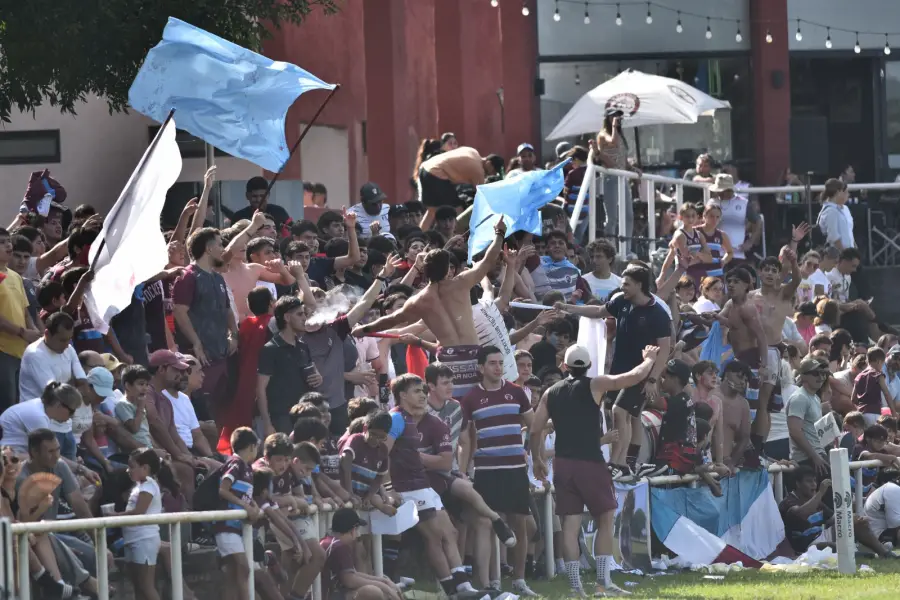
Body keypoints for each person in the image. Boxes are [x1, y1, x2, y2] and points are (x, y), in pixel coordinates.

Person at [530, 344, 657, 596]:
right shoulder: (595, 384)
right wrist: (649, 359)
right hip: (591, 463)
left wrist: (537, 459)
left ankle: (577, 587)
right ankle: (602, 583)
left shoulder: (550, 392)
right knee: (606, 518)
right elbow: (630, 377)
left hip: (564, 466)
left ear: (564, 367)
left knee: (569, 525)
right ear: (588, 366)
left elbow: (535, 430)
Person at [352, 220, 508, 402]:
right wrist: (499, 234)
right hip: (474, 357)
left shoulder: (420, 300)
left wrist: (363, 330)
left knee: (453, 411)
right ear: (447, 268)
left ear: (425, 271)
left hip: (448, 362)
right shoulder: (462, 283)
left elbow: (391, 319)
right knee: (478, 409)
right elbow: (489, 260)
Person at [554, 263, 671, 477]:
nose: (622, 287)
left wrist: (653, 379)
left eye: (626, 284)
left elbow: (664, 350)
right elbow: (598, 311)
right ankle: (624, 464)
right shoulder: (620, 302)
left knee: (620, 412)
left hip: (641, 375)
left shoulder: (657, 313)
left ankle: (618, 464)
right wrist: (568, 308)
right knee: (620, 416)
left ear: (639, 285)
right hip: (619, 372)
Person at [384, 374, 477, 598]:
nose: (423, 395)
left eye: (424, 391)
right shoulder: (396, 419)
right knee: (435, 536)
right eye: (417, 391)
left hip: (422, 485)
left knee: (450, 532)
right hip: (408, 487)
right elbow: (382, 454)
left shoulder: (415, 419)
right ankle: (453, 590)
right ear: (402, 395)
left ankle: (463, 586)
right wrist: (388, 488)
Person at [458, 346, 536, 596]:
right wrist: (463, 470)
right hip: (486, 470)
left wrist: (540, 459)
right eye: (492, 363)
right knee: (488, 524)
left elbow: (533, 427)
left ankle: (519, 580)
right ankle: (491, 583)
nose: (498, 367)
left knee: (520, 525)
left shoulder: (516, 392)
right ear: (480, 367)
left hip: (515, 469)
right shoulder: (469, 398)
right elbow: (466, 438)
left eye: (501, 363)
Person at [172, 227, 238, 420]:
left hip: (221, 352)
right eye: (219, 244)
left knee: (221, 407)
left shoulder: (217, 277)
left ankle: (219, 448)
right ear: (208, 249)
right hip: (200, 357)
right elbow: (179, 311)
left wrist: (234, 334)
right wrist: (196, 343)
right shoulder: (188, 276)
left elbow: (227, 310)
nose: (222, 249)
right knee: (200, 408)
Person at [748, 251, 802, 457]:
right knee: (750, 402)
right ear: (760, 272)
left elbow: (796, 279)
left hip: (771, 352)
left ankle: (759, 447)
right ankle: (751, 444)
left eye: (774, 270)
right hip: (750, 353)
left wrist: (795, 260)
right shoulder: (751, 296)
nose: (770, 273)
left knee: (764, 403)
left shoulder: (783, 294)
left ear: (779, 275)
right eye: (766, 269)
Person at [258, 296, 322, 436]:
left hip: (306, 416)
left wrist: (318, 378)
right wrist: (267, 424)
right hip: (282, 419)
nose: (304, 318)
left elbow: (314, 372)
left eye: (304, 313)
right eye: (299, 314)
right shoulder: (270, 349)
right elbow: (260, 389)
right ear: (287, 317)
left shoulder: (303, 346)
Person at [216, 427, 263, 600]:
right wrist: (245, 505)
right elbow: (223, 490)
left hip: (237, 528)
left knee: (233, 574)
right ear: (251, 446)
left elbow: (246, 495)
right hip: (226, 526)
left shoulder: (248, 468)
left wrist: (254, 507)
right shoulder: (235, 463)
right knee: (243, 567)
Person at [320, 507, 403, 600]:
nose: (358, 534)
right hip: (328, 595)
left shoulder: (329, 541)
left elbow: (353, 574)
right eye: (357, 530)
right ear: (352, 530)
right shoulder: (339, 546)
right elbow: (349, 580)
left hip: (326, 592)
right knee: (372, 592)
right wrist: (384, 587)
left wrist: (383, 581)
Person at [0, 226, 41, 410]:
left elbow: (25, 312)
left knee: (19, 406)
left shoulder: (16, 277)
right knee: (6, 408)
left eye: (8, 241)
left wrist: (33, 332)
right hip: (3, 352)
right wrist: (23, 332)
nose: (8, 246)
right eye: (2, 243)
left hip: (21, 352)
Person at [116, 448, 163, 600]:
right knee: (138, 587)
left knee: (146, 586)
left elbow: (139, 511)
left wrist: (115, 516)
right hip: (133, 539)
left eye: (132, 466)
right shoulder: (139, 486)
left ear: (145, 468)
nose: (128, 470)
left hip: (144, 540)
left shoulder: (149, 485)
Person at [18, 311, 86, 401]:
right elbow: (54, 393)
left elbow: (82, 381)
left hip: (60, 408)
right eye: (62, 340)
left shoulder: (69, 349)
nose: (67, 344)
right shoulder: (34, 354)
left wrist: (74, 384)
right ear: (47, 334)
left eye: (69, 339)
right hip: (36, 411)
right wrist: (74, 383)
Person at [787, 358, 830, 477]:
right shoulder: (800, 398)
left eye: (823, 374)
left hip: (817, 457)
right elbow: (795, 431)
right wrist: (814, 456)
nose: (821, 377)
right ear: (803, 376)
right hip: (807, 459)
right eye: (816, 373)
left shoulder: (815, 397)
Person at [596, 109, 631, 248]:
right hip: (611, 177)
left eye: (619, 116)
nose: (617, 118)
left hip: (623, 178)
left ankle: (627, 248)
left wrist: (632, 168)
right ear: (608, 118)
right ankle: (610, 247)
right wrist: (614, 127)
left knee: (628, 215)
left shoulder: (620, 135)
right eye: (614, 115)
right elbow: (613, 143)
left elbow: (622, 156)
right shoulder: (603, 134)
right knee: (612, 217)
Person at [853, 347, 898, 424]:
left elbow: (853, 399)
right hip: (874, 414)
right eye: (882, 364)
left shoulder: (859, 376)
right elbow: (887, 394)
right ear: (878, 362)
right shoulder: (878, 375)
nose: (881, 367)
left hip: (861, 415)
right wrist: (893, 413)